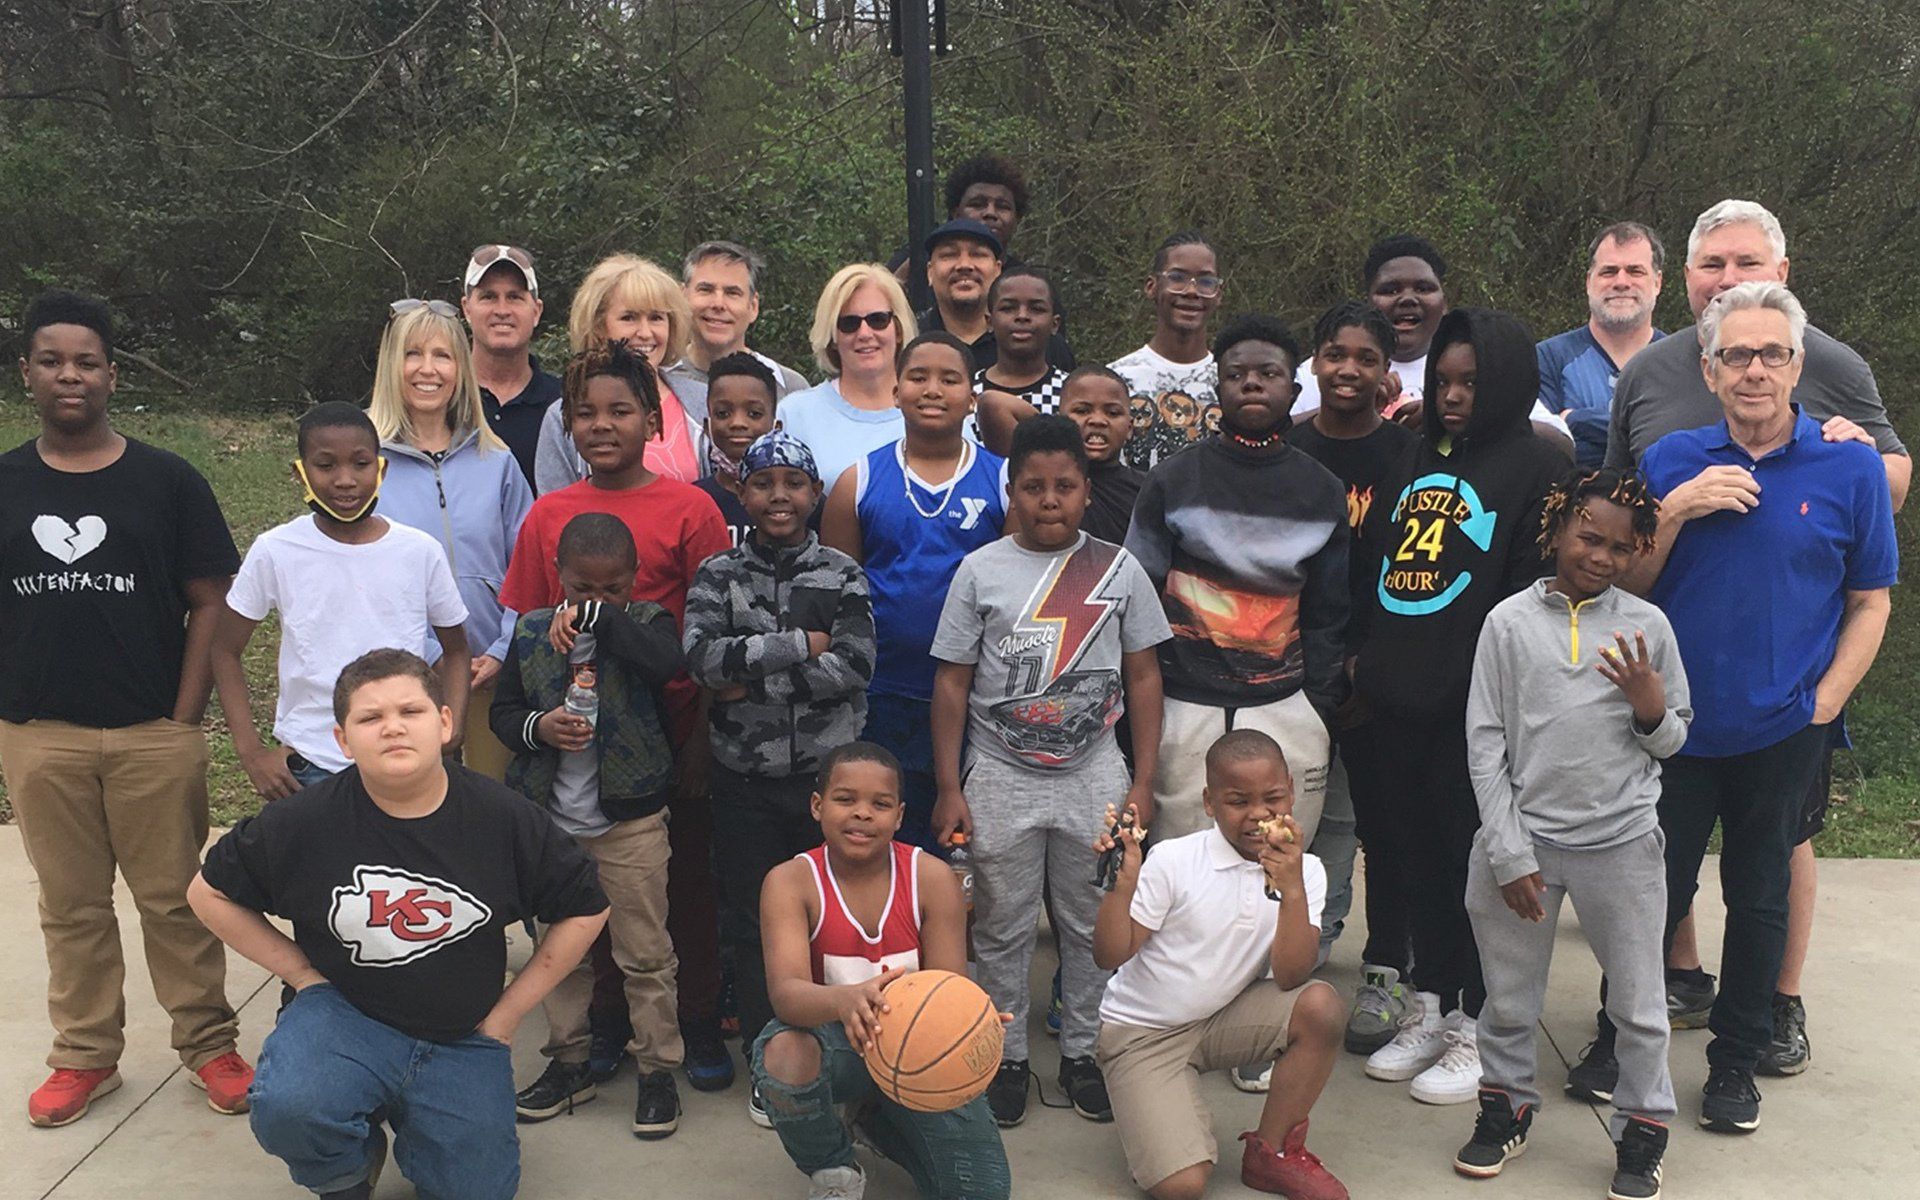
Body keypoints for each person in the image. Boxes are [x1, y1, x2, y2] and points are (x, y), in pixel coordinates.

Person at [1596, 198, 1910, 1081]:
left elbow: (1871, 596)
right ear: (1709, 366)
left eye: (1773, 355)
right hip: (1673, 721)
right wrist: (1675, 510)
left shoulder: (1846, 452)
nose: (1756, 370)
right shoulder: (1670, 450)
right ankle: (1619, 1038)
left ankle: (1744, 1050)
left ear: (1799, 364)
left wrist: (1826, 703)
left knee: (1762, 892)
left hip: (1784, 719)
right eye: (1737, 356)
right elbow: (1624, 574)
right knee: (1652, 890)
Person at [189, 649, 610, 1200]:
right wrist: (302, 975)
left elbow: (587, 905)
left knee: (476, 1189)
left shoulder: (502, 817)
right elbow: (207, 892)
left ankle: (430, 1130)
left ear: (444, 723)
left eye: (411, 711)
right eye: (370, 717)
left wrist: (507, 1017)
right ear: (343, 740)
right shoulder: (304, 821)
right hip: (346, 1013)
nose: (393, 727)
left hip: (462, 1030)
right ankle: (345, 1171)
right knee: (292, 1105)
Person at [0, 289, 253, 1128]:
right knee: (70, 907)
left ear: (112, 375)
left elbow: (211, 601)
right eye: (51, 361)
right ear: (27, 373)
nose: (69, 375)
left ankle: (209, 1045)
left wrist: (183, 719)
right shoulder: (6, 483)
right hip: (40, 736)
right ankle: (84, 1055)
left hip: (153, 732)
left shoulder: (166, 481)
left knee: (177, 900)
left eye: (86, 362)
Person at [499, 344, 737, 1093]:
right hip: (574, 746)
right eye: (585, 413)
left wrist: (699, 742)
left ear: (653, 421)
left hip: (668, 731)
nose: (602, 425)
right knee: (584, 904)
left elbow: (707, 636)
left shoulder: (691, 508)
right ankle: (602, 1031)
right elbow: (530, 631)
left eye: (620, 411)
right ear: (568, 425)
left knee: (678, 894)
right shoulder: (550, 514)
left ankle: (695, 1024)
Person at [1348, 308, 1566, 1105]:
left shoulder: (1537, 464)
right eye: (1443, 381)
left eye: (1470, 382)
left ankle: (1480, 1024)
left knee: (1472, 867)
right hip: (1396, 699)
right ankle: (1431, 1004)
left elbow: (1529, 592)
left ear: (1504, 382)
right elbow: (1377, 563)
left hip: (1474, 707)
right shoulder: (1412, 455)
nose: (1452, 396)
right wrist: (1367, 661)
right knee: (1410, 860)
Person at [930, 415, 1172, 1128]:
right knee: (1000, 927)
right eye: (1033, 487)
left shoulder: (1120, 569)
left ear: (1087, 491)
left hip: (1093, 774)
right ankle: (1004, 1056)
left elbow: (1145, 676)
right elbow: (951, 683)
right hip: (998, 774)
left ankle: (1084, 1053)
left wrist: (1143, 781)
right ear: (1011, 492)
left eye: (1064, 486)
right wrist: (949, 786)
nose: (1049, 500)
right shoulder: (980, 571)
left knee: (1092, 920)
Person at [1458, 469, 1689, 1199]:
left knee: (1639, 1003)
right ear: (1558, 529)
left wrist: (1649, 707)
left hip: (1621, 845)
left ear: (1637, 552)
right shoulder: (1507, 623)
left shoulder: (1648, 628)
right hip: (1522, 843)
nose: (1602, 556)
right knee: (1508, 997)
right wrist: (1507, 851)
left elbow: (1674, 740)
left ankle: (1643, 1126)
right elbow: (1485, 742)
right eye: (1590, 537)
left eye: (1621, 547)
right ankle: (1507, 1105)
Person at [683, 429, 876, 1125]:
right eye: (763, 483)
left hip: (826, 786)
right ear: (742, 492)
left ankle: (838, 1054)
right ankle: (773, 1062)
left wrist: (753, 677)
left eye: (794, 483)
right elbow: (703, 661)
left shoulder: (842, 574)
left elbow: (854, 667)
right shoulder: (717, 574)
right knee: (751, 920)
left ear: (815, 493)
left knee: (832, 918)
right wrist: (799, 645)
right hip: (744, 780)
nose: (779, 496)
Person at [491, 513, 690, 1139]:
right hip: (551, 824)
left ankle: (657, 1070)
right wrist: (540, 728)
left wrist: (601, 618)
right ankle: (569, 1061)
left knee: (646, 953)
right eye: (582, 588)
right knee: (559, 954)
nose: (596, 599)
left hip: (629, 821)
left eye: (612, 589)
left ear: (635, 579)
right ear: (558, 575)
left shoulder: (647, 624)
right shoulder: (530, 631)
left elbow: (665, 665)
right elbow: (503, 713)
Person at [1093, 730, 1348, 1200]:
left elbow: (1292, 976)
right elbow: (1109, 956)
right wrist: (1120, 889)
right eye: (1238, 801)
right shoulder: (1174, 860)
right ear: (1209, 803)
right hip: (1143, 1033)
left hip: (1223, 1016)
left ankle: (1273, 1153)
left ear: (1292, 792)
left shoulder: (1306, 870)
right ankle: (1162, 1116)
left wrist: (1292, 890)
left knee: (1320, 1007)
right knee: (1182, 1185)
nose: (1259, 814)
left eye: (1273, 798)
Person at [751, 741, 1012, 1200]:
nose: (862, 813)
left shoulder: (932, 878)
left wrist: (974, 1022)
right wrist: (846, 1000)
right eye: (845, 799)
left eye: (880, 804)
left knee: (982, 1193)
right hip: (837, 1047)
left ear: (899, 815)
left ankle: (877, 1119)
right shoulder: (790, 881)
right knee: (784, 1053)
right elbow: (787, 995)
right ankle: (833, 1167)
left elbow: (949, 988)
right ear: (817, 806)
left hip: (916, 1051)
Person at [1125, 316, 1347, 849]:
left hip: (1285, 705)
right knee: (1178, 865)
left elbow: (1329, 611)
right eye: (1236, 374)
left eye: (1268, 374)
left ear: (1294, 390)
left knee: (1277, 864)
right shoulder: (1173, 479)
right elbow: (1135, 600)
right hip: (1183, 706)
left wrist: (1316, 703)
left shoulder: (1321, 490)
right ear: (1217, 387)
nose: (1251, 384)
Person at [212, 401, 470, 797]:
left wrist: (451, 731)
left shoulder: (419, 551)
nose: (345, 479)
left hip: (405, 756)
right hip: (312, 763)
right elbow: (224, 649)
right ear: (300, 471)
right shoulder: (276, 550)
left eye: (360, 464)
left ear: (381, 469)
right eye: (326, 465)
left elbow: (456, 650)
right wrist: (251, 752)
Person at [1282, 301, 1419, 1042]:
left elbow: (1415, 571)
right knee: (1296, 820)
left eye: (1366, 358)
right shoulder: (1288, 447)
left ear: (1387, 372)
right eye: (1336, 354)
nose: (1348, 370)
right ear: (1314, 362)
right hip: (1289, 670)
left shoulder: (1408, 456)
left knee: (1384, 825)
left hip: (1376, 673)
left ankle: (1387, 968)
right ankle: (1296, 951)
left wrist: (1380, 664)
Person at [821, 332, 1009, 852]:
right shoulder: (857, 480)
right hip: (880, 695)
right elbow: (837, 597)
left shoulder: (1003, 481)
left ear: (972, 397)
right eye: (919, 377)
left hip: (976, 699)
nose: (933, 389)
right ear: (896, 391)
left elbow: (1015, 595)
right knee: (882, 836)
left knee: (964, 847)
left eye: (950, 379)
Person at [371, 298, 534, 780]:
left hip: (491, 675)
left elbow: (528, 564)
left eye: (442, 355)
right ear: (391, 364)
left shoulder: (496, 461)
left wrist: (502, 650)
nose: (428, 369)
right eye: (413, 354)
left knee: (489, 805)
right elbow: (357, 574)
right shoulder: (363, 463)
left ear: (461, 368)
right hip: (401, 680)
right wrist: (434, 654)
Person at [1294, 235, 1574, 453]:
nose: (1407, 299)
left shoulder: (1482, 365)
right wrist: (1355, 407)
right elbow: (1275, 435)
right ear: (1368, 302)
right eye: (1390, 290)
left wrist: (1454, 418)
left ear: (1444, 303)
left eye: (1423, 288)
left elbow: (1563, 445)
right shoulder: (1323, 370)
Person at [534, 254, 705, 490]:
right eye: (629, 318)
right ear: (598, 327)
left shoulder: (703, 402)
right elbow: (555, 506)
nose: (645, 332)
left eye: (656, 318)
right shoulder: (561, 416)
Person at [1535, 223, 1667, 468]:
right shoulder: (1547, 358)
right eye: (1609, 271)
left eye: (1635, 271)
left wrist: (1575, 419)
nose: (1621, 282)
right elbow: (1544, 448)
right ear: (1589, 282)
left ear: (1657, 282)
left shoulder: (1679, 360)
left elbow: (1678, 442)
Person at [777, 264, 922, 487]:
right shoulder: (794, 414)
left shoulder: (938, 409)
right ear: (832, 337)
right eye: (849, 324)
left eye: (877, 320)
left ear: (899, 329)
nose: (864, 334)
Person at [977, 364, 1145, 544]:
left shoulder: (1146, 487)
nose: (1097, 421)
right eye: (1082, 411)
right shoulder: (1038, 469)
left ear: (1129, 427)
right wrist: (1053, 429)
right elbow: (992, 403)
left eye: (1112, 413)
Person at [1110, 231, 1224, 471]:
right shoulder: (1116, 380)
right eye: (1177, 277)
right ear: (1151, 286)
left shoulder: (1230, 382)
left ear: (1218, 295)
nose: (1191, 291)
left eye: (1205, 281)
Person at [663, 240, 810, 418]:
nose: (718, 304)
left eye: (732, 293)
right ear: (683, 297)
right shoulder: (661, 380)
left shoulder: (789, 388)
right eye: (706, 290)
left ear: (753, 307)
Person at [462, 243, 563, 486]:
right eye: (488, 297)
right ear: (466, 309)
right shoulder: (442, 399)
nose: (502, 310)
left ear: (536, 311)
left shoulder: (564, 404)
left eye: (515, 297)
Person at [695, 352, 789, 548]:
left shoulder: (797, 502)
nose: (738, 423)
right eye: (723, 413)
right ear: (707, 426)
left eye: (754, 414)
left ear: (777, 427)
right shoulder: (691, 501)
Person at [974, 267, 1071, 422]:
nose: (1022, 316)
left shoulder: (1071, 393)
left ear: (1055, 324)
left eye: (1037, 309)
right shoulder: (967, 393)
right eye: (1008, 308)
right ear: (989, 322)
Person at [915, 218, 1004, 355]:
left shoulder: (1021, 341)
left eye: (978, 254)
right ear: (930, 272)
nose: (964, 265)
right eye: (950, 255)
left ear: (997, 271)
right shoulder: (910, 337)